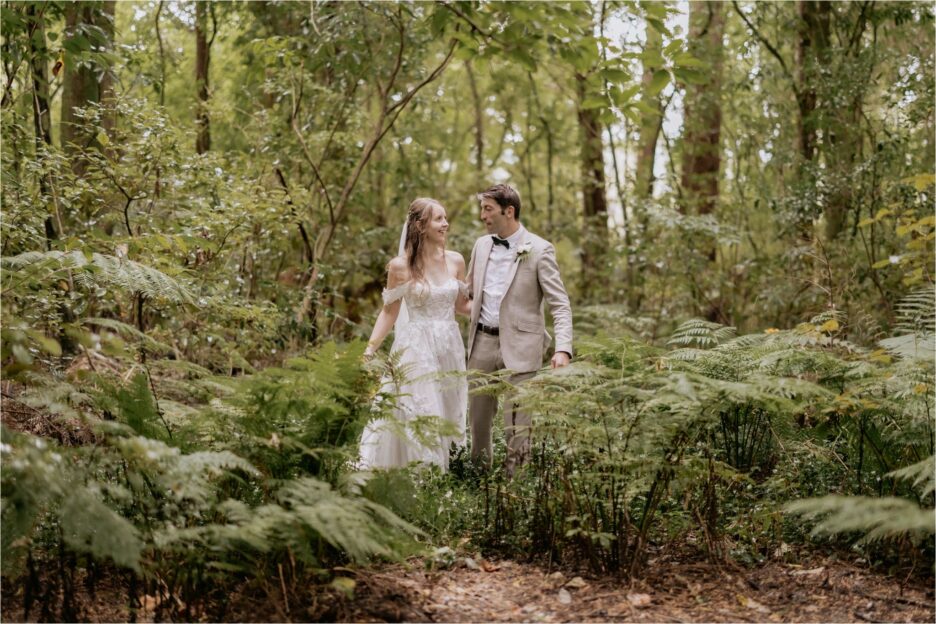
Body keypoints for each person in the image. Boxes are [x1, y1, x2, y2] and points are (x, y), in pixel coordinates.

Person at [466, 184, 573, 476]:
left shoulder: (539, 249)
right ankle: (478, 480)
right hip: (482, 343)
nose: (482, 216)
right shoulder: (481, 245)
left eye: (488, 209)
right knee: (478, 421)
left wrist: (563, 349)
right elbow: (469, 292)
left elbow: (560, 304)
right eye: (482, 208)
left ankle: (516, 488)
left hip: (523, 347)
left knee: (519, 422)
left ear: (508, 211)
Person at [359, 198, 471, 471]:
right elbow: (389, 312)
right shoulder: (400, 266)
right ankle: (424, 474)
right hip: (416, 347)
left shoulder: (456, 260)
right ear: (420, 226)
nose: (446, 224)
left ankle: (451, 469)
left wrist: (499, 310)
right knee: (422, 409)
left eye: (445, 218)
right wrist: (370, 349)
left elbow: (462, 306)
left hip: (450, 345)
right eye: (439, 219)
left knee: (449, 407)